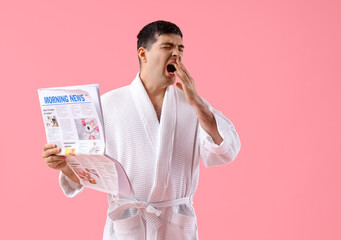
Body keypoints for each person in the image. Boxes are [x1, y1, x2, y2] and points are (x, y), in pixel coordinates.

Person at [42, 20, 241, 240]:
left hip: (176, 226)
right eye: (167, 47)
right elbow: (92, 172)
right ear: (143, 53)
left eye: (180, 48)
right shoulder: (107, 105)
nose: (176, 54)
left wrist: (196, 102)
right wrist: (65, 166)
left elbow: (225, 151)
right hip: (129, 226)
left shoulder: (193, 104)